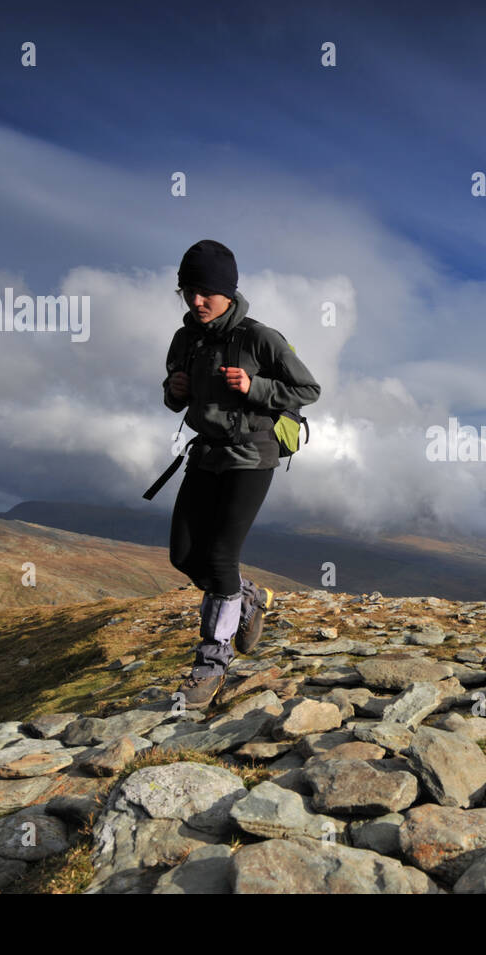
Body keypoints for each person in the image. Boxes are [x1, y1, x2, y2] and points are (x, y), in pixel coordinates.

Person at [162, 239, 320, 709]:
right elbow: (176, 398)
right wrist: (172, 389)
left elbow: (308, 388)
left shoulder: (259, 337)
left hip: (252, 456)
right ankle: (247, 598)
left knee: (221, 556)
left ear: (228, 291)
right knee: (184, 555)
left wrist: (256, 387)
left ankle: (211, 664)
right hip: (206, 455)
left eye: (206, 291)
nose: (196, 301)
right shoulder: (185, 337)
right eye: (188, 290)